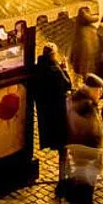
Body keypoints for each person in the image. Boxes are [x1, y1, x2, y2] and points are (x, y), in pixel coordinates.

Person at [32, 43, 71, 174]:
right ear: (53, 55)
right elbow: (67, 84)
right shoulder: (56, 70)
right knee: (63, 147)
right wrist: (64, 69)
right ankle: (63, 176)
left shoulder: (38, 68)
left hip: (46, 112)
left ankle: (64, 174)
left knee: (61, 146)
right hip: (58, 112)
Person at [68, 6, 102, 87]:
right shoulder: (82, 12)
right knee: (84, 65)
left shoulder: (83, 25)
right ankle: (83, 81)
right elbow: (88, 18)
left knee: (83, 65)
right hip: (84, 49)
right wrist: (97, 17)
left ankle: (83, 80)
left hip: (83, 48)